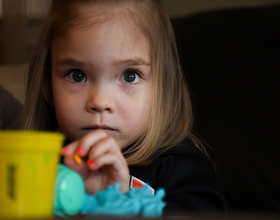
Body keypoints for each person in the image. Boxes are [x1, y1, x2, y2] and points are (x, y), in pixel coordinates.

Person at [20, 0, 227, 215]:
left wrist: (121, 202)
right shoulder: (37, 164)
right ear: (47, 87)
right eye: (77, 75)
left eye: (129, 76)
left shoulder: (183, 169)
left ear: (163, 88)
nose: (100, 102)